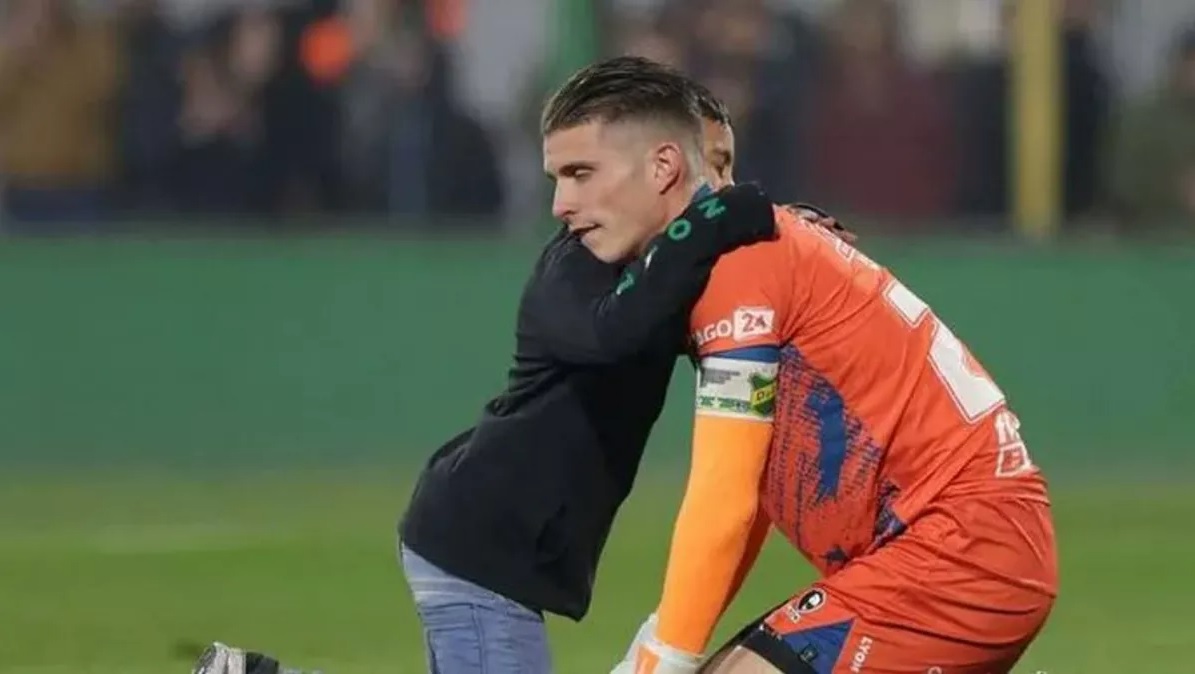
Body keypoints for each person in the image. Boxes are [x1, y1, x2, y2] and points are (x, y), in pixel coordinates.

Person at [601, 81, 1059, 674]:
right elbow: (755, 489)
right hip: (962, 548)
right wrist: (670, 632)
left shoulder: (740, 268)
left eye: (722, 165)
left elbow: (724, 498)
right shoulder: (756, 260)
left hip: (956, 551)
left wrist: (666, 653)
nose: (719, 191)